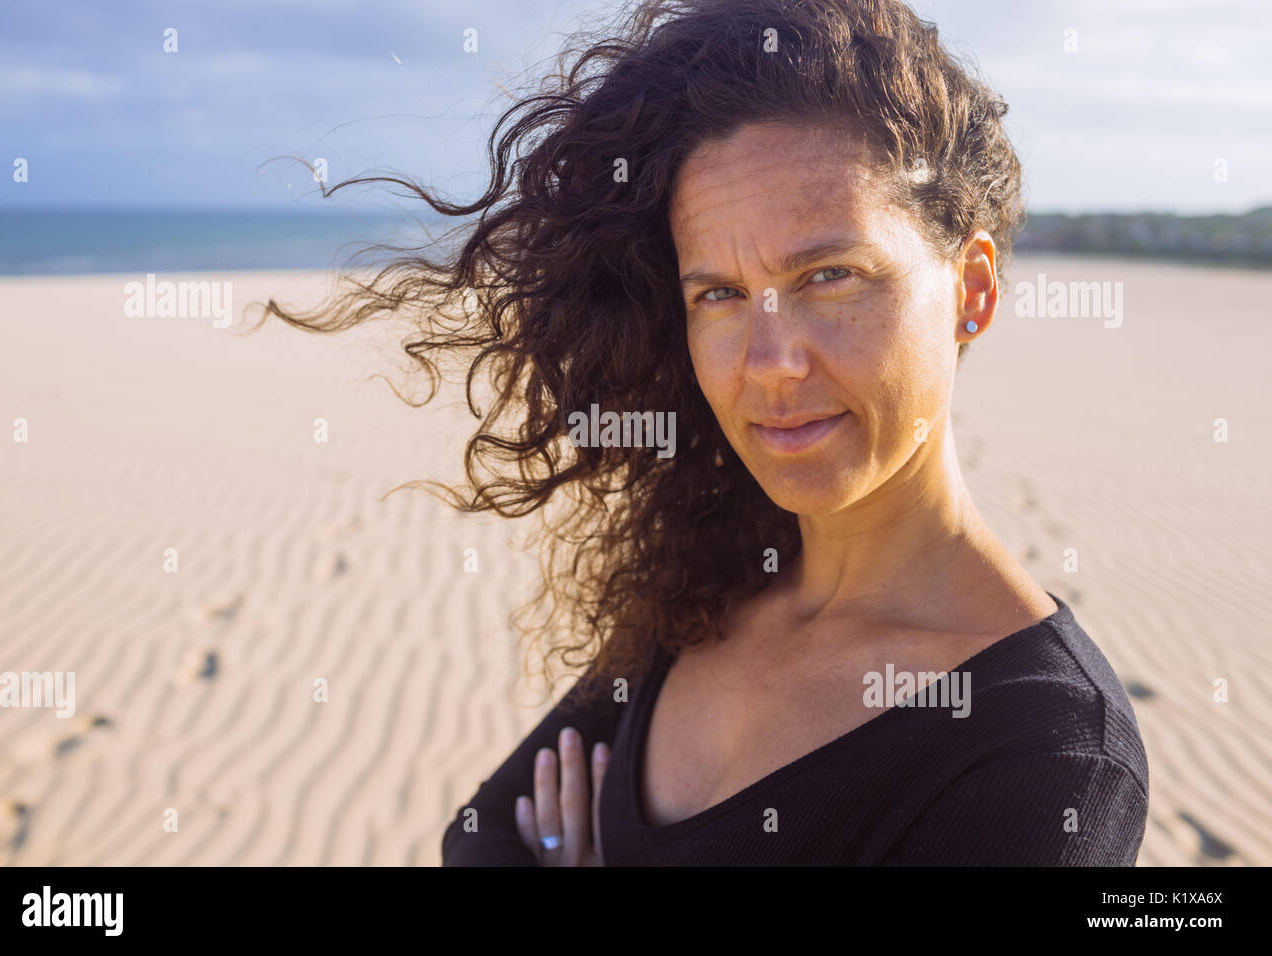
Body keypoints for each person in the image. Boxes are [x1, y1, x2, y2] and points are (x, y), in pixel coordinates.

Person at [265, 0, 1149, 865]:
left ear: (974, 289)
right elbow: (480, 833)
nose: (768, 363)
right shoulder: (707, 585)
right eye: (718, 294)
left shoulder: (1048, 748)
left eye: (830, 275)